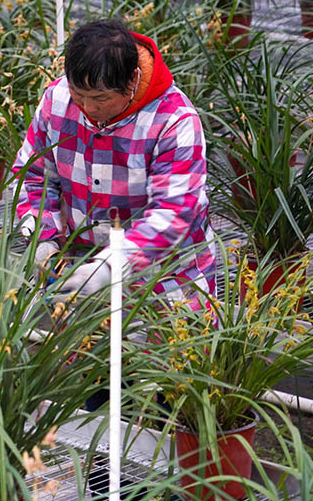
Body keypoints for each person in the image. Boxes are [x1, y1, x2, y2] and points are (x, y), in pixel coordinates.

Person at [12, 18, 215, 305]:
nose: (88, 107)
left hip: (165, 277)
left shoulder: (174, 121)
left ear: (132, 79)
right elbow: (33, 177)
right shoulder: (57, 99)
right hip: (78, 272)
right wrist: (43, 239)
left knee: (167, 335)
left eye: (101, 98)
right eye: (78, 94)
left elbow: (173, 211)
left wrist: (110, 266)